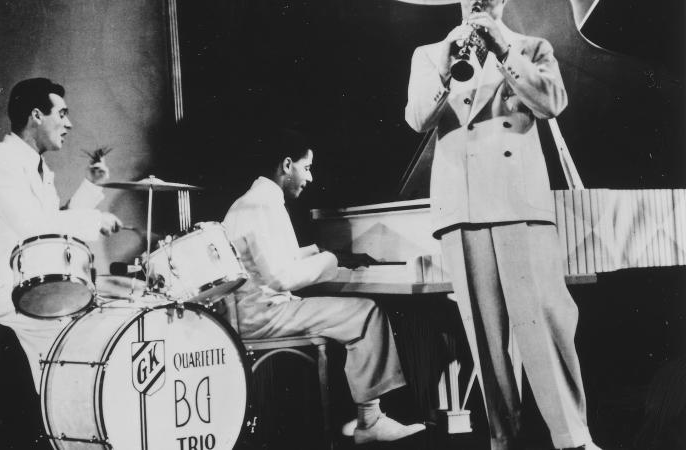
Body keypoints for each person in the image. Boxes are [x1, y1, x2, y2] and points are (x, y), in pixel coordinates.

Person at [404, 1, 600, 449]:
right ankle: (502, 438)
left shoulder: (531, 48)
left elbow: (552, 103)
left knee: (545, 324)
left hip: (518, 203)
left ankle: (573, 437)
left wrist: (502, 49)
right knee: (484, 334)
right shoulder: (429, 54)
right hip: (463, 205)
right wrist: (447, 64)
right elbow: (417, 118)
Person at [222, 129, 424, 444]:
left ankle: (364, 417)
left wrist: (321, 253)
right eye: (307, 167)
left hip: (257, 310)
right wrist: (334, 258)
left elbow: (272, 261)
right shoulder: (263, 205)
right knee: (367, 312)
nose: (311, 177)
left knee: (358, 312)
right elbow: (282, 278)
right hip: (265, 315)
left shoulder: (252, 201)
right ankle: (369, 420)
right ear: (287, 165)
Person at [0, 78, 122, 391]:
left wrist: (91, 186)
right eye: (62, 114)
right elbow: (34, 226)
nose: (69, 123)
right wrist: (95, 220)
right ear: (37, 115)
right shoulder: (0, 163)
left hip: (34, 294)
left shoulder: (34, 166)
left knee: (104, 325)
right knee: (86, 347)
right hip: (5, 299)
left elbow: (53, 223)